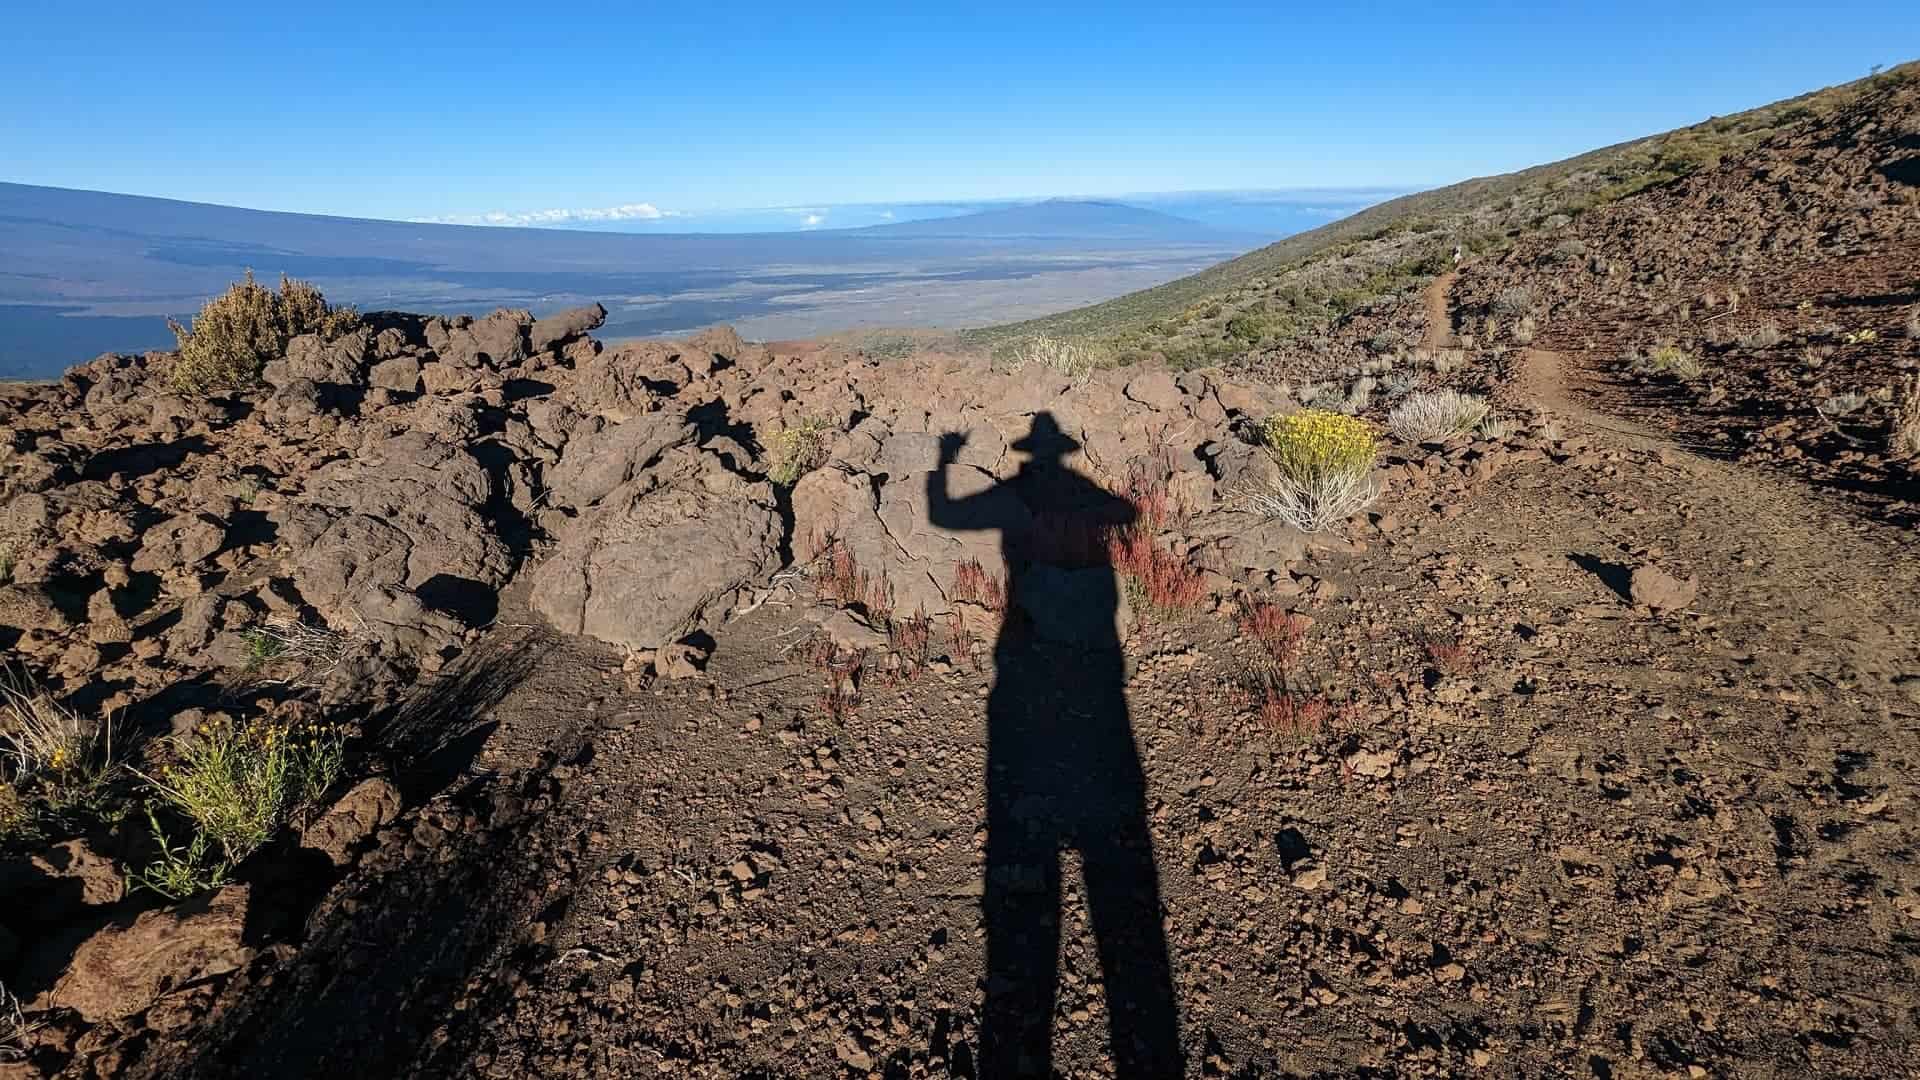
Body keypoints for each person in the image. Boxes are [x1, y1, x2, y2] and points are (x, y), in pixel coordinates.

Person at [927, 414, 1181, 1077]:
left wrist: (944, 461)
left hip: (1039, 621)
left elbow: (944, 514)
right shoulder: (1084, 491)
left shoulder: (1014, 494)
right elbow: (1128, 513)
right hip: (1095, 634)